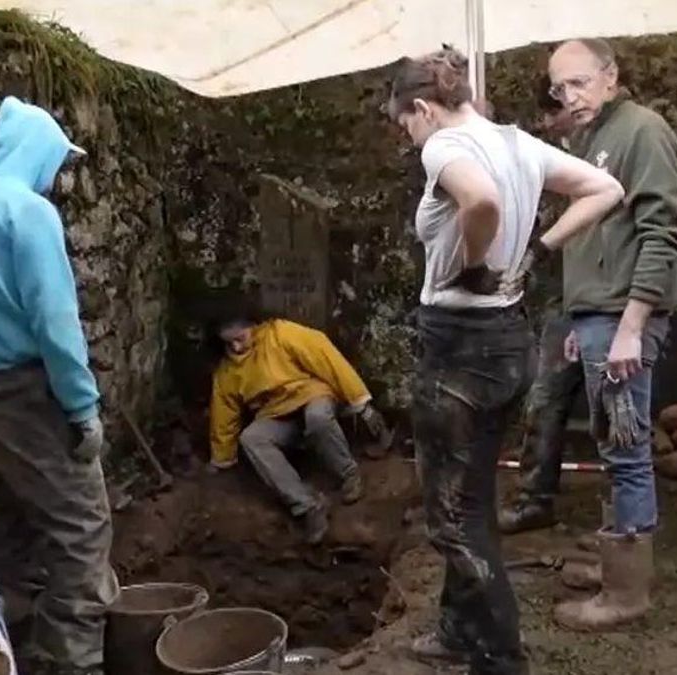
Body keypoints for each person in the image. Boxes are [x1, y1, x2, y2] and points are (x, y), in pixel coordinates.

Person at [386, 47, 624, 675]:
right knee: (472, 500)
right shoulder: (518, 142)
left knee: (452, 520)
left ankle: (500, 659)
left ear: (421, 108)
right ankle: (458, 629)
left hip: (457, 343)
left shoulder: (444, 146)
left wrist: (472, 264)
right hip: (508, 339)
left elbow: (482, 202)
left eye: (404, 124)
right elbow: (604, 188)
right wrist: (537, 250)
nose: (408, 139)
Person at [0, 96, 117, 675]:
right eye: (56, 160)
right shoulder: (29, 212)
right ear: (36, 153)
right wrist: (82, 408)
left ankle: (7, 649)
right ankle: (73, 663)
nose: (56, 173)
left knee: (14, 519)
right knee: (82, 533)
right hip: (36, 395)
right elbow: (54, 319)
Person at [544, 38, 677, 631]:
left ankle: (626, 593)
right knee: (611, 444)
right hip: (598, 318)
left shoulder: (642, 132)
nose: (569, 97)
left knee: (627, 454)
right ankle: (614, 560)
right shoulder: (590, 141)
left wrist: (629, 327)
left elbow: (662, 233)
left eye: (578, 83)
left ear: (610, 77)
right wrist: (585, 319)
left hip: (625, 320)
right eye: (559, 88)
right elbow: (596, 241)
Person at [206, 306, 392, 545]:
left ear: (253, 326)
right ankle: (307, 505)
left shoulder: (281, 334)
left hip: (312, 397)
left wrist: (360, 402)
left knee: (318, 418)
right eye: (228, 343)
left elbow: (327, 358)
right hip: (276, 415)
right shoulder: (228, 369)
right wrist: (222, 458)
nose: (236, 348)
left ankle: (348, 474)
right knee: (252, 438)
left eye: (239, 339)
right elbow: (224, 413)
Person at [498, 77, 589, 535]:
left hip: (604, 300)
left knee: (613, 411)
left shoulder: (609, 152)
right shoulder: (556, 157)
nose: (547, 125)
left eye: (551, 115)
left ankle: (625, 524)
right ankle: (535, 499)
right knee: (545, 398)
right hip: (567, 298)